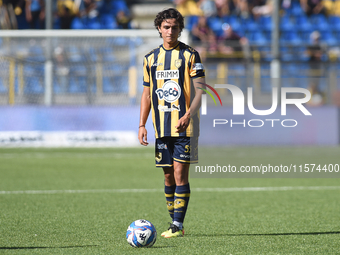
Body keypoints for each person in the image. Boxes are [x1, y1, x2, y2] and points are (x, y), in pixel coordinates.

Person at [138, 8, 206, 238]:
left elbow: (200, 91)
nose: (170, 31)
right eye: (166, 27)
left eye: (174, 27)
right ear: (159, 28)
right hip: (161, 128)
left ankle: (177, 225)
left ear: (180, 29)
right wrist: (141, 125)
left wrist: (187, 115)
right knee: (167, 176)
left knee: (179, 175)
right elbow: (146, 95)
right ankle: (174, 222)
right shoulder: (150, 59)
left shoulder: (190, 55)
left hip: (185, 127)